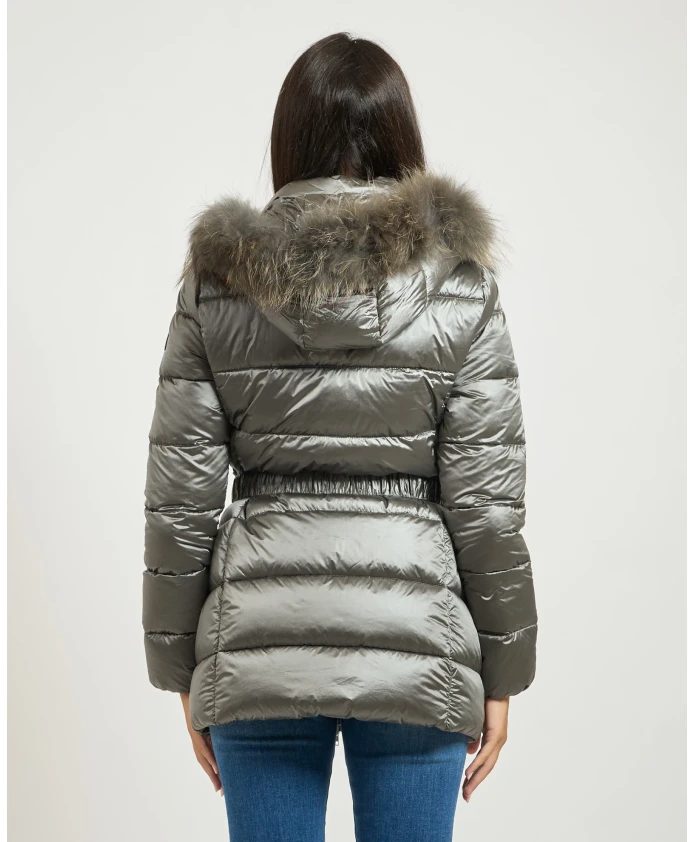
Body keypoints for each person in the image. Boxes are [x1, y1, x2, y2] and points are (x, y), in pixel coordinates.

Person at [142, 31, 538, 842]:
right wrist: (504, 671)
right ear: (401, 135)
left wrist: (181, 668)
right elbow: (486, 507)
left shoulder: (217, 284)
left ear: (288, 138)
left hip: (256, 643)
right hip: (418, 644)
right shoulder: (462, 288)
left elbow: (179, 501)